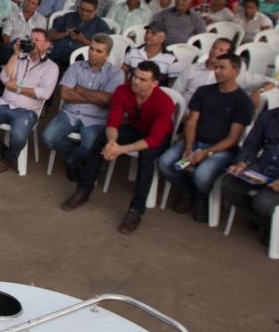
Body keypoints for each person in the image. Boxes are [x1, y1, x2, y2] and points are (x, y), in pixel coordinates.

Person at [61, 61, 176, 235]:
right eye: (135, 76)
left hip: (157, 136)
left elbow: (154, 139)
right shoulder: (123, 90)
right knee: (100, 141)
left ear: (154, 83)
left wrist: (121, 150)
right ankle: (83, 191)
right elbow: (113, 121)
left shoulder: (164, 102)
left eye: (142, 79)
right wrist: (112, 142)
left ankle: (136, 210)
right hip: (136, 128)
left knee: (146, 159)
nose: (136, 81)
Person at [158, 54, 254, 222]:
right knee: (165, 163)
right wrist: (189, 147)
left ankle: (200, 198)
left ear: (236, 71)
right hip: (194, 141)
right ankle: (189, 192)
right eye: (216, 67)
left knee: (202, 175)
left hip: (221, 149)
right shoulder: (204, 91)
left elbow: (232, 138)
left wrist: (206, 152)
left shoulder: (243, 102)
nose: (217, 71)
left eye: (222, 67)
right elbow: (191, 122)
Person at [0, 29, 59, 173]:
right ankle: (4, 153)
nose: (32, 42)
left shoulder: (51, 67)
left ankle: (6, 159)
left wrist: (17, 88)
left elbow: (45, 93)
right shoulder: (19, 58)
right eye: (31, 39)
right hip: (4, 103)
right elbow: (5, 78)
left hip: (27, 110)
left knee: (18, 136)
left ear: (47, 45)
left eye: (37, 40)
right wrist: (15, 54)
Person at [41, 35, 125, 179]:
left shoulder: (116, 74)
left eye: (99, 51)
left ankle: (71, 162)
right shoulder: (76, 67)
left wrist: (80, 90)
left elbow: (106, 100)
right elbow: (65, 94)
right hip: (70, 113)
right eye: (91, 49)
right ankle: (75, 155)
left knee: (89, 146)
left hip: (96, 119)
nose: (92, 53)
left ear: (108, 54)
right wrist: (96, 97)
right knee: (48, 138)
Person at [220, 106, 279, 248]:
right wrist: (242, 162)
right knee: (229, 186)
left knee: (263, 203)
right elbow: (252, 144)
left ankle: (271, 224)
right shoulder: (270, 115)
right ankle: (266, 222)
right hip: (265, 165)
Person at [48, 0, 111, 68]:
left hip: (80, 63)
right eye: (82, 9)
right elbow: (50, 35)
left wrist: (82, 40)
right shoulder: (69, 17)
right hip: (56, 56)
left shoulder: (101, 26)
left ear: (95, 11)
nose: (84, 13)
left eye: (89, 11)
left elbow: (102, 50)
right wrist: (65, 34)